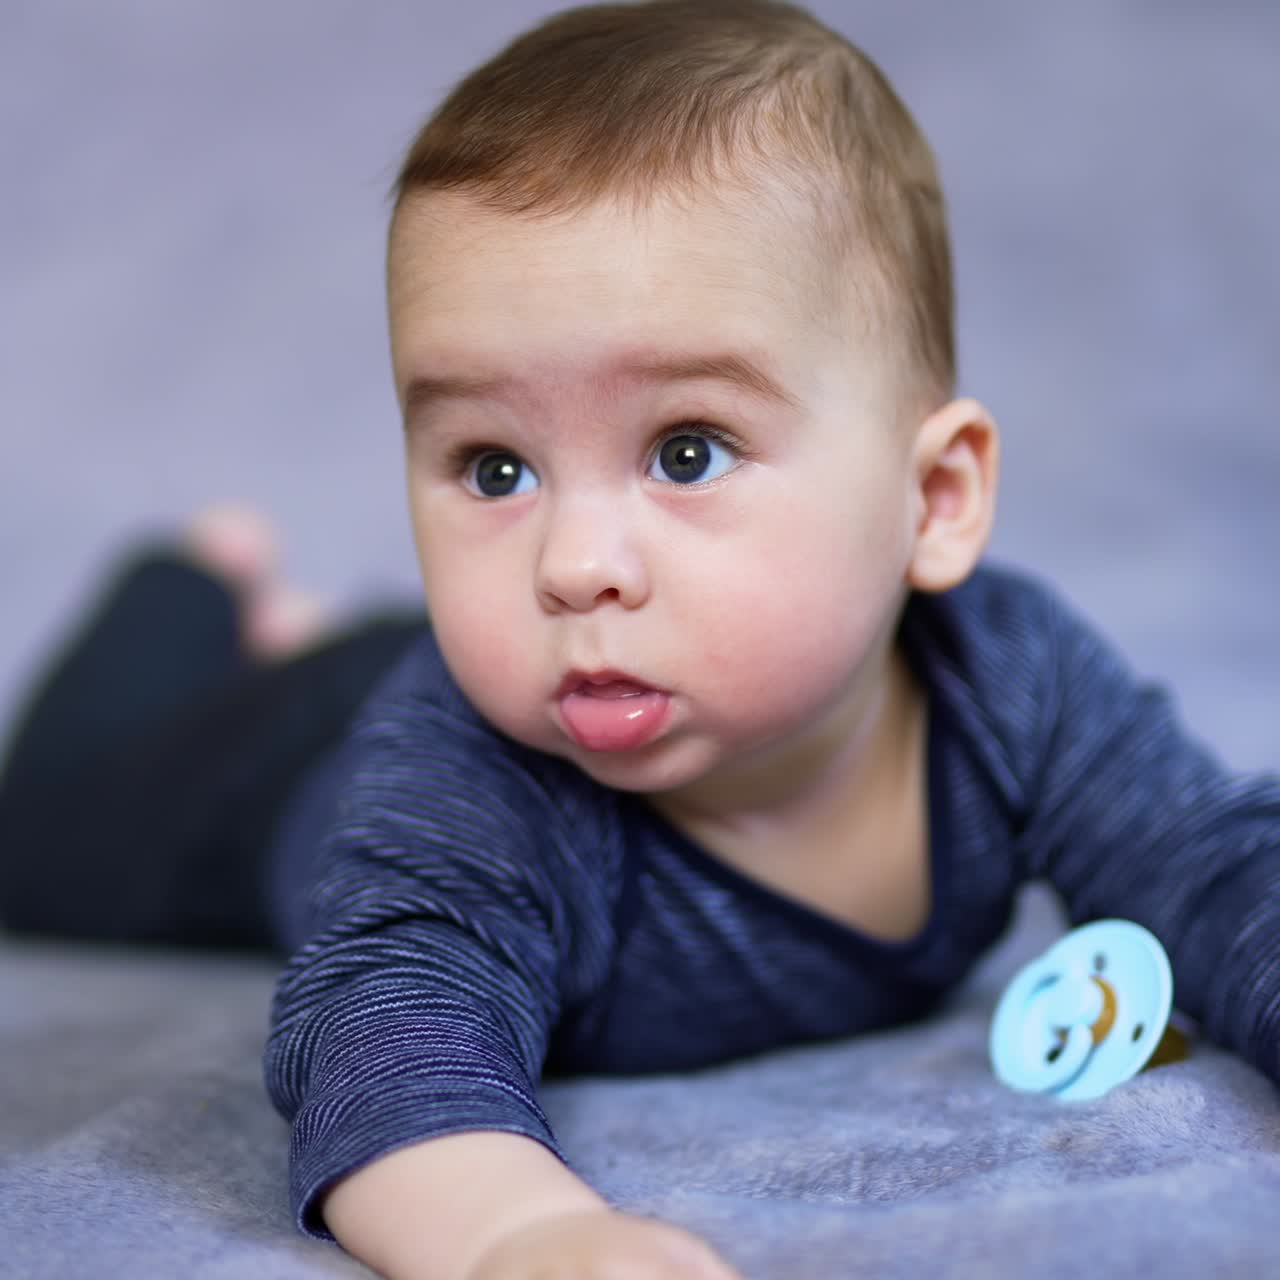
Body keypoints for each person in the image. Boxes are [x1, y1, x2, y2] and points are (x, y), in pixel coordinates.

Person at [1, 1, 1277, 1277]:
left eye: (685, 451)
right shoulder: (478, 784)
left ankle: (285, 622)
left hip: (412, 678)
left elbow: (1209, 863)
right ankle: (189, 580)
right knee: (40, 827)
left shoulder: (1006, 681)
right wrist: (516, 1231)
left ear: (931, 500)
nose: (572, 565)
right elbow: (387, 1023)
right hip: (264, 770)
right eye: (494, 466)